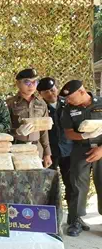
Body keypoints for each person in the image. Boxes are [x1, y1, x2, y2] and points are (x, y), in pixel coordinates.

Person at [59, 80, 102, 237]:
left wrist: (101, 150)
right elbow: (68, 132)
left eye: (70, 97)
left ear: (82, 92)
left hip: (101, 148)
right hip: (81, 149)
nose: (68, 101)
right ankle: (76, 220)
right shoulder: (68, 109)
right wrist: (83, 136)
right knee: (77, 184)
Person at [37, 77, 73, 206]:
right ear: (40, 94)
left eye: (52, 90)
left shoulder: (68, 103)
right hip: (49, 152)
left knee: (71, 183)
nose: (50, 94)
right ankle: (52, 213)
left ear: (57, 88)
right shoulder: (39, 107)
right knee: (49, 184)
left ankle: (73, 214)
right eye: (46, 92)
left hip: (68, 149)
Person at [6, 69, 52, 167]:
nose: (31, 86)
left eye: (35, 82)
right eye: (27, 82)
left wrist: (47, 153)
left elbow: (44, 131)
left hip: (36, 148)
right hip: (16, 147)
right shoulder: (10, 103)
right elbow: (3, 128)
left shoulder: (41, 103)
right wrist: (17, 131)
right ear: (18, 84)